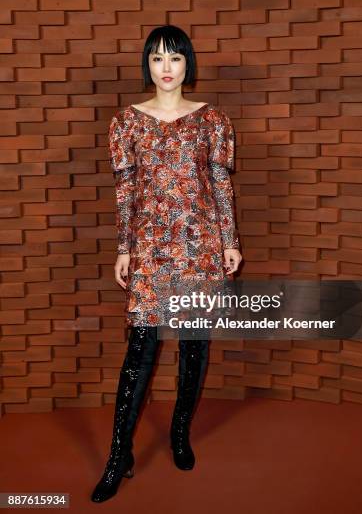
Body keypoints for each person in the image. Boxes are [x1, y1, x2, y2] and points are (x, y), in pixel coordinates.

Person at [91, 25, 242, 502]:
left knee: (193, 348)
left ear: (187, 65)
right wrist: (124, 249)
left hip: (199, 246)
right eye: (157, 59)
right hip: (151, 249)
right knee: (140, 352)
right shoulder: (127, 123)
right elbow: (126, 194)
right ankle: (120, 455)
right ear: (148, 65)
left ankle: (179, 434)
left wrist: (229, 242)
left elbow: (220, 186)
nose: (167, 68)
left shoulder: (213, 120)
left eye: (175, 58)